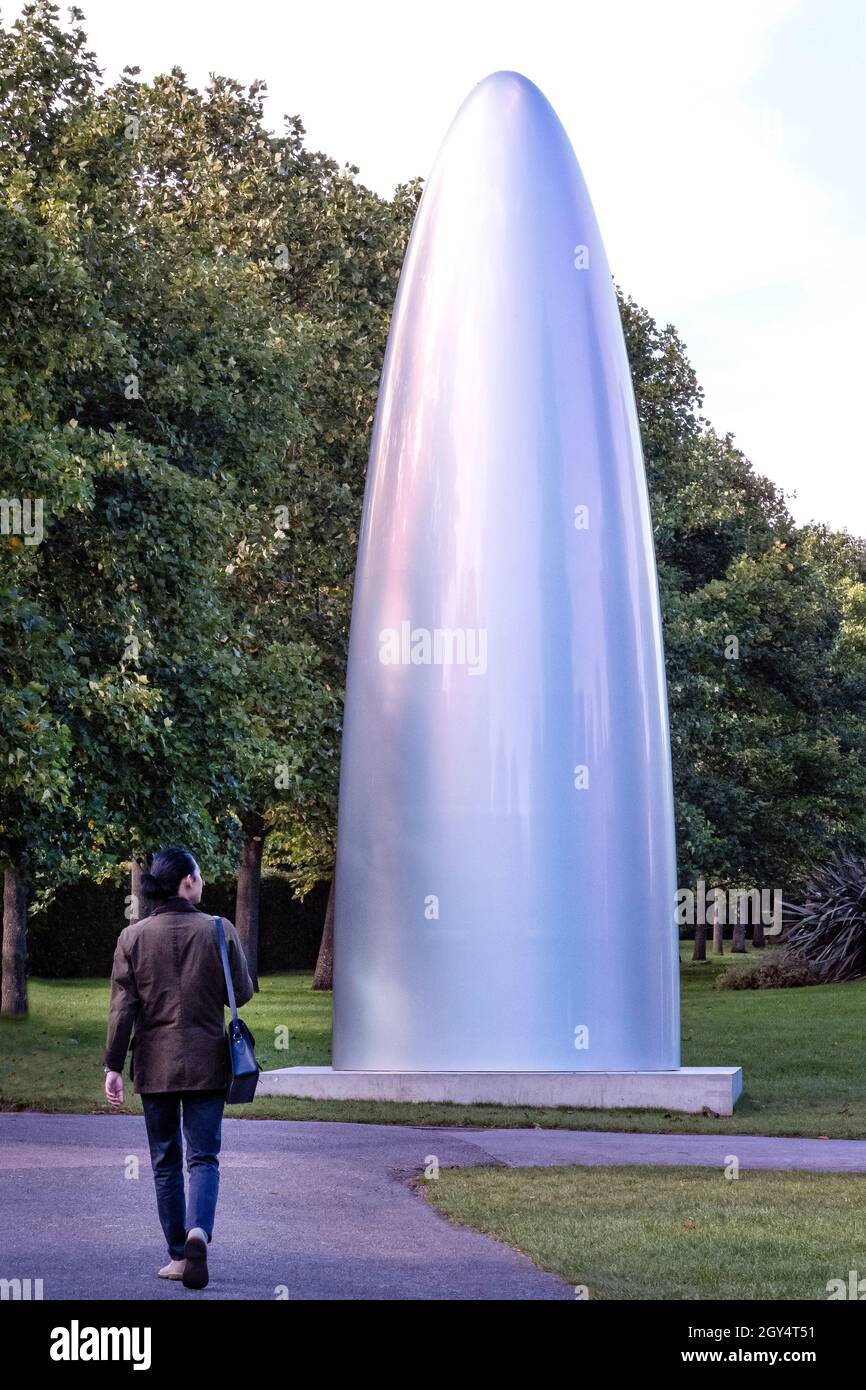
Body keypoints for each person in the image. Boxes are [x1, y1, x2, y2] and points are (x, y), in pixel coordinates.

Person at [103, 846, 254, 1290]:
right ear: (187, 881)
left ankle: (176, 1253)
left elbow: (122, 1010)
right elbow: (240, 994)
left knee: (165, 1161)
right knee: (203, 1157)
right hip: (209, 1061)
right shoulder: (218, 929)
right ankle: (197, 1233)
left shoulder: (131, 939)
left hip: (155, 1066)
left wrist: (113, 1065)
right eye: (200, 874)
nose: (203, 882)